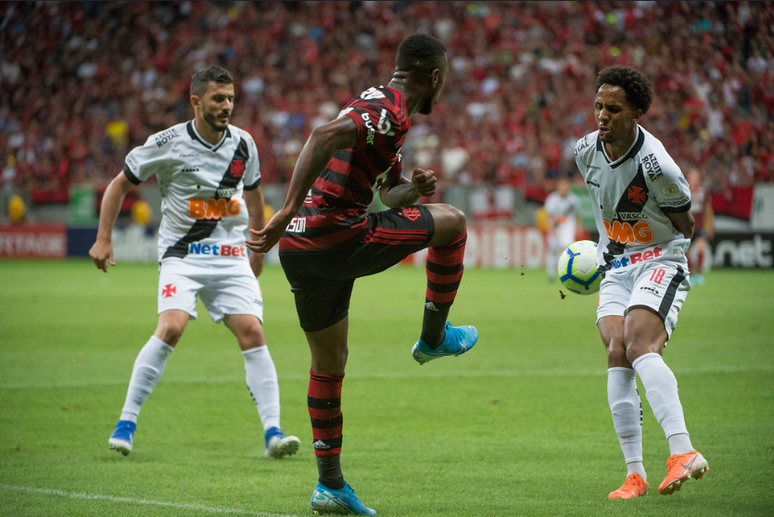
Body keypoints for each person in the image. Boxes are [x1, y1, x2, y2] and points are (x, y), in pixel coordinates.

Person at [247, 34, 478, 515]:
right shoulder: (389, 111)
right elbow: (323, 135)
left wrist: (413, 188)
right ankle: (434, 337)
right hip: (337, 236)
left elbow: (389, 194)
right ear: (433, 77)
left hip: (302, 247)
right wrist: (284, 208)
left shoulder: (382, 110)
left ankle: (329, 485)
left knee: (329, 365)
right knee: (453, 223)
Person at [89, 66, 300, 460]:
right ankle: (126, 423)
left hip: (231, 254)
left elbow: (254, 200)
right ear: (196, 101)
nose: (226, 106)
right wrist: (104, 238)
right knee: (171, 327)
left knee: (253, 332)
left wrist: (257, 250)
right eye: (218, 99)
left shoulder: (244, 144)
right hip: (182, 256)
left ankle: (274, 432)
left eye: (231, 99)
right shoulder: (166, 143)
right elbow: (119, 184)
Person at [573, 65, 709, 500]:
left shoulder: (658, 167)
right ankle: (635, 474)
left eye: (613, 108)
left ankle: (682, 451)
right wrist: (609, 247)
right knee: (616, 350)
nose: (602, 116)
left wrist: (642, 240)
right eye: (598, 106)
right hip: (615, 266)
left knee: (637, 343)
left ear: (636, 112)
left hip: (660, 260)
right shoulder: (584, 151)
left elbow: (684, 226)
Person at [544, 178, 582, 280]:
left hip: (568, 226)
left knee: (567, 248)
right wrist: (551, 229)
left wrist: (578, 227)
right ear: (558, 188)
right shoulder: (552, 199)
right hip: (555, 226)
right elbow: (548, 216)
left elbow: (577, 214)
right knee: (553, 249)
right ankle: (551, 273)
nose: (564, 189)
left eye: (565, 187)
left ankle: (567, 272)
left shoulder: (573, 199)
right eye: (562, 187)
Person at [686, 168, 714, 286]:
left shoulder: (703, 192)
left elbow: (708, 210)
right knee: (686, 252)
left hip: (699, 225)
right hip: (687, 226)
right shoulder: (684, 190)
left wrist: (710, 226)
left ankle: (698, 274)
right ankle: (690, 274)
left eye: (696, 176)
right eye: (692, 176)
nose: (694, 179)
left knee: (701, 247)